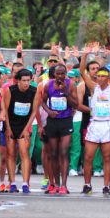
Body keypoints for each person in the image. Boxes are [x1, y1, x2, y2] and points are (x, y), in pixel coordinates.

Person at [79, 42, 110, 195]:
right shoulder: (93, 87)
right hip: (94, 125)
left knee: (107, 157)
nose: (100, 78)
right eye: (98, 76)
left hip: (107, 124)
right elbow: (82, 71)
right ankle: (87, 184)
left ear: (108, 78)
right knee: (88, 157)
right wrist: (85, 54)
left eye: (103, 76)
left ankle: (106, 185)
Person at [40, 63, 78, 194]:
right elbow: (42, 101)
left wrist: (66, 93)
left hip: (66, 121)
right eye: (58, 73)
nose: (61, 76)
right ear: (54, 74)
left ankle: (64, 185)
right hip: (53, 121)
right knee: (54, 153)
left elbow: (76, 104)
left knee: (64, 151)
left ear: (66, 74)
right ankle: (55, 183)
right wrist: (49, 111)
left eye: (63, 73)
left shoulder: (71, 84)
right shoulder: (48, 85)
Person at [3, 68, 39, 194]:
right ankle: (12, 183)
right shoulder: (10, 90)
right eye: (23, 80)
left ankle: (25, 183)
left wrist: (27, 128)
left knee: (24, 153)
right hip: (11, 124)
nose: (26, 83)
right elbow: (5, 110)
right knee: (11, 154)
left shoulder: (34, 91)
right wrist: (7, 128)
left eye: (28, 80)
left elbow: (34, 111)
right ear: (18, 81)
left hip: (25, 124)